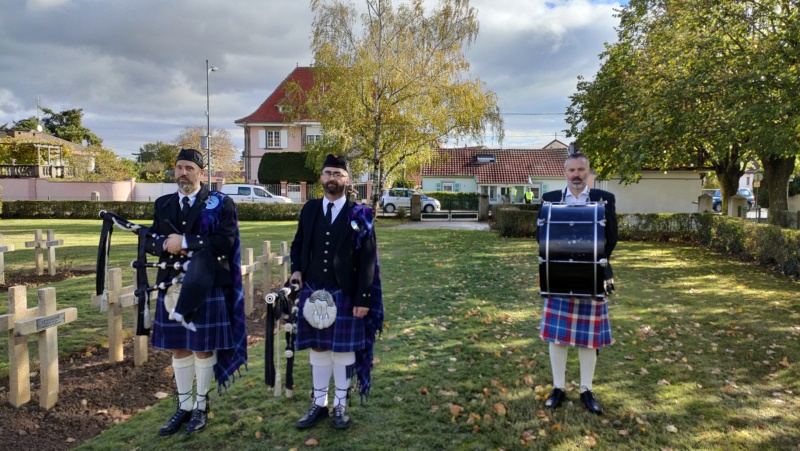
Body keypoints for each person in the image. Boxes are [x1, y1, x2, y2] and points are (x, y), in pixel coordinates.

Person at [146, 148, 248, 435]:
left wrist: (185, 241)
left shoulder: (219, 203)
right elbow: (153, 238)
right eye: (179, 167)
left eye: (189, 168)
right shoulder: (163, 203)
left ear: (201, 173)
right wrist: (161, 245)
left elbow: (225, 242)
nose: (183, 173)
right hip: (172, 284)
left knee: (202, 347)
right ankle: (185, 406)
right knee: (179, 347)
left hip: (206, 283)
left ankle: (201, 406)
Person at [289, 153, 383, 430]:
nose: (332, 178)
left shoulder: (360, 214)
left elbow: (368, 259)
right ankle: (319, 404)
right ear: (321, 178)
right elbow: (298, 244)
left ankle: (340, 405)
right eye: (328, 173)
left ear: (347, 180)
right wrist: (296, 269)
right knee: (318, 348)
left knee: (342, 351)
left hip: (346, 293)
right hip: (313, 290)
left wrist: (363, 297)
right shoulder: (309, 209)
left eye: (338, 174)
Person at [538, 152, 617, 415]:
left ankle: (586, 389)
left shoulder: (605, 200)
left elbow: (611, 238)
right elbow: (542, 236)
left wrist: (590, 262)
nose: (576, 174)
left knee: (589, 338)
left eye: (581, 169)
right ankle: (558, 388)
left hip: (592, 276)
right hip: (558, 275)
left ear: (589, 172)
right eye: (571, 170)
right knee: (557, 336)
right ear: (565, 172)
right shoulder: (550, 200)